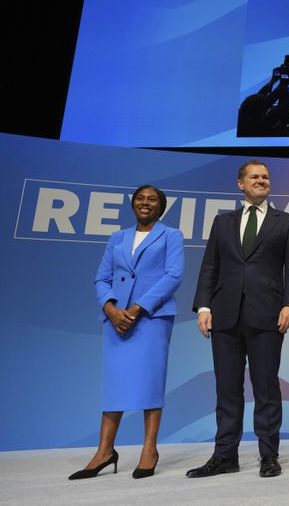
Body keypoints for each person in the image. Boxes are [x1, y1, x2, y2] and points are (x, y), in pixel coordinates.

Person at [187, 161, 289, 478]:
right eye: (255, 176)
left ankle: (268, 455)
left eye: (266, 176)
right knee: (227, 389)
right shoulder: (223, 222)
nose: (262, 180)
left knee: (266, 388)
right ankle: (225, 455)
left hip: (267, 314)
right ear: (240, 184)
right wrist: (203, 307)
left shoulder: (286, 222)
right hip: (224, 315)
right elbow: (210, 266)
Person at [69, 185, 184, 480]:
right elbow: (102, 277)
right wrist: (110, 308)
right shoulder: (117, 237)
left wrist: (136, 309)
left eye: (152, 200)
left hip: (151, 317)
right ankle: (104, 451)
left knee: (150, 381)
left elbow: (173, 276)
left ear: (162, 207)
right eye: (140, 199)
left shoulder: (171, 235)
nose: (145, 203)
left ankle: (150, 450)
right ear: (133, 205)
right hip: (116, 319)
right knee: (114, 384)